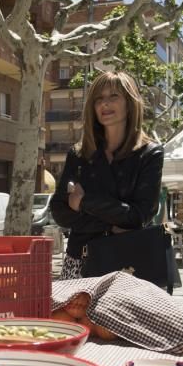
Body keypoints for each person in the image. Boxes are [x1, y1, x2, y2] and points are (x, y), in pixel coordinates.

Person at [49, 71, 163, 280]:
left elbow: (140, 216)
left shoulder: (150, 153)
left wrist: (84, 202)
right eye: (99, 99)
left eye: (113, 96)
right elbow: (59, 211)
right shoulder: (79, 153)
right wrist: (113, 222)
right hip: (79, 261)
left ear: (129, 103)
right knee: (72, 314)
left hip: (128, 265)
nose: (105, 104)